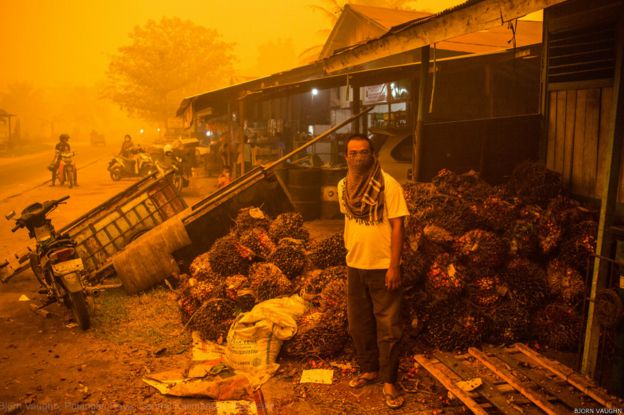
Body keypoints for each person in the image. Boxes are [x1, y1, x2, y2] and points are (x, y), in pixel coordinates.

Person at [337, 133, 408, 410]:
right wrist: (348, 254)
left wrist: (394, 265)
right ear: (346, 157)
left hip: (382, 266)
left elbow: (398, 226)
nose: (358, 157)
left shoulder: (388, 185)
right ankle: (369, 370)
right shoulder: (343, 185)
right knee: (359, 324)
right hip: (355, 264)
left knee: (389, 326)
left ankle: (390, 380)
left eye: (363, 152)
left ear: (373, 154)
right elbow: (348, 222)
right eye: (352, 153)